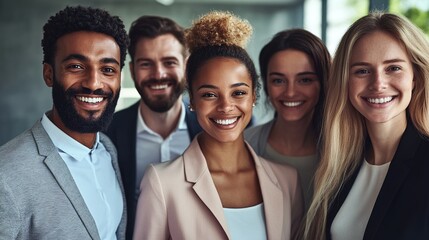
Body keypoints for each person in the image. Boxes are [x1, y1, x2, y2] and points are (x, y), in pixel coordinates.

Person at [133, 11, 303, 240]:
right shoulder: (162, 182)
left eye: (239, 93)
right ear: (192, 100)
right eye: (210, 94)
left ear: (254, 96)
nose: (226, 106)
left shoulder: (287, 180)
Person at [0, 6, 129, 239]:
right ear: (49, 74)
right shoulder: (6, 175)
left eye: (108, 69)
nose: (94, 83)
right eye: (76, 67)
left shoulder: (108, 150)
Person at [304, 12, 429, 240]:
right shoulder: (340, 163)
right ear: (345, 81)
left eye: (393, 68)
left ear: (415, 77)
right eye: (362, 71)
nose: (378, 84)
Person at [105, 16, 202, 239]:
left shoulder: (210, 128)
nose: (158, 74)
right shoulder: (107, 134)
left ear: (186, 67)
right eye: (146, 64)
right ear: (131, 70)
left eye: (169, 62)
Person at [244, 29, 330, 210]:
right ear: (265, 84)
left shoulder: (344, 151)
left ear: (323, 83)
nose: (290, 92)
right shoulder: (244, 145)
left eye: (305, 80)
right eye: (278, 81)